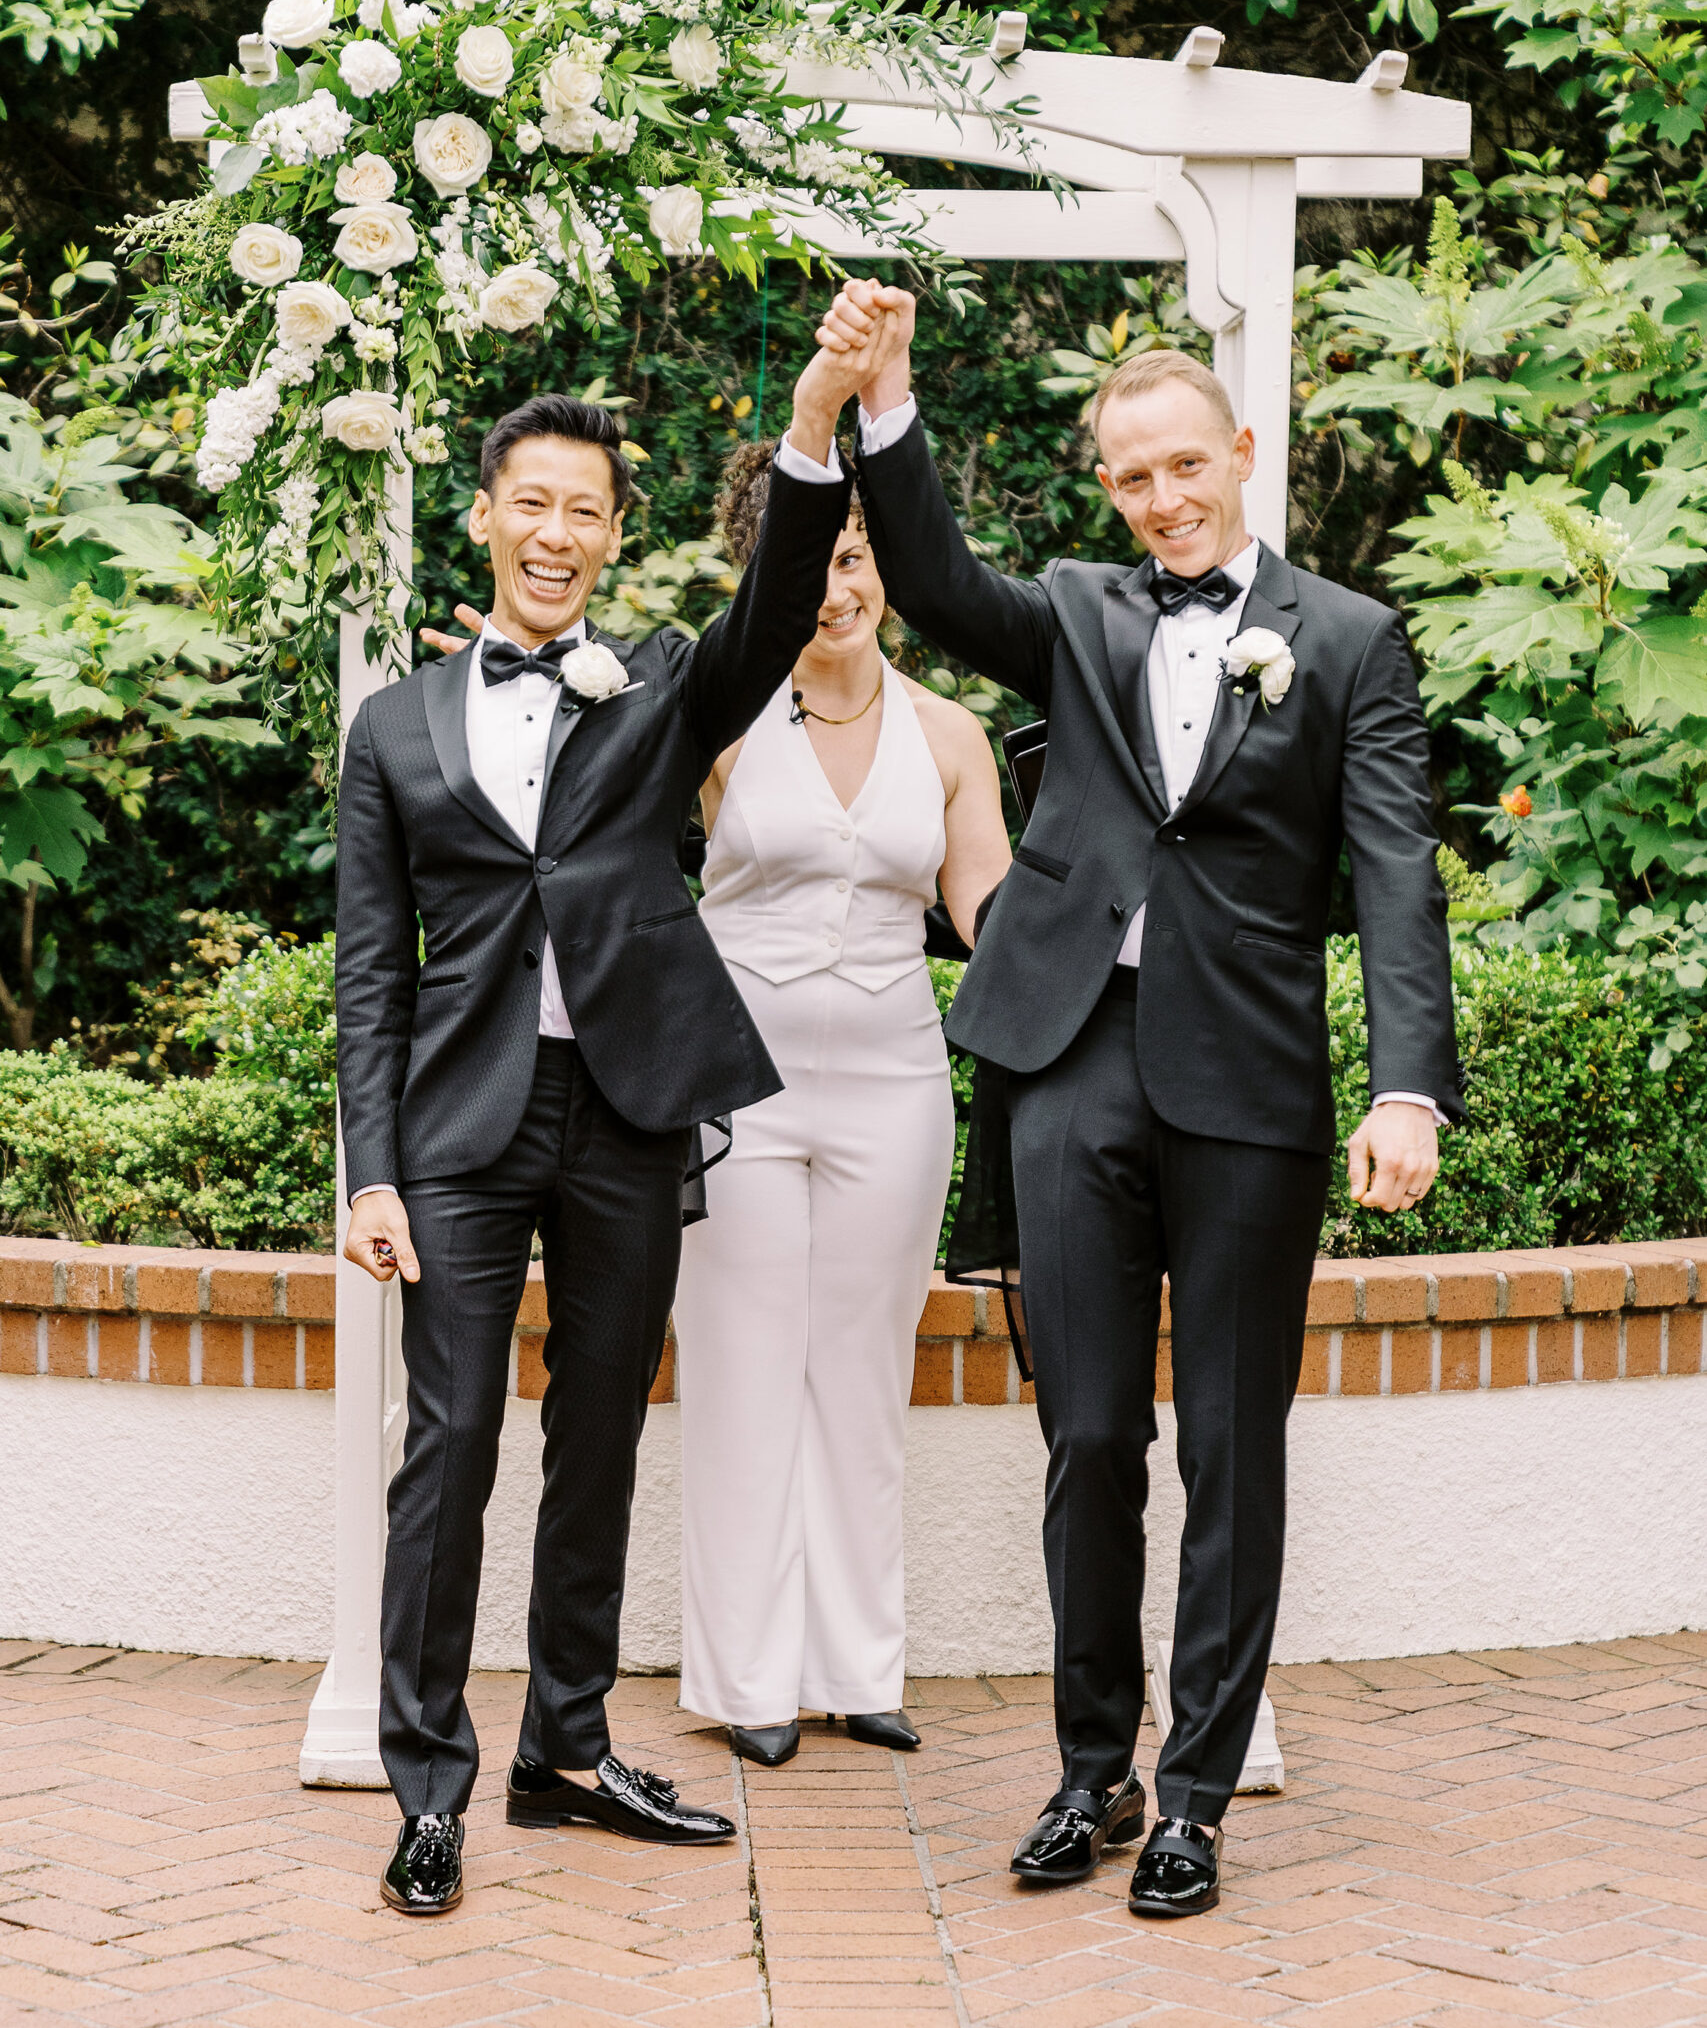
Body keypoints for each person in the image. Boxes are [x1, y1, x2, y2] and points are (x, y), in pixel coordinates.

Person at [813, 281, 1461, 1918]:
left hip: (1247, 1081)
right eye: (1130, 478)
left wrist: (1407, 1089)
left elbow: (1394, 877)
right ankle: (1091, 1770)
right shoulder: (1084, 613)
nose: (1162, 501)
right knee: (1088, 1434)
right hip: (1066, 1057)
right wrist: (883, 403)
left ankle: (1196, 1799)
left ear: (1242, 454)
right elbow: (943, 584)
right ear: (1106, 487)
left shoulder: (1350, 640)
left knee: (1235, 1449)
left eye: (1185, 467)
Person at [336, 328, 889, 1917]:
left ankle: (565, 1752)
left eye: (588, 510)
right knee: (447, 1444)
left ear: (613, 535)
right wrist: (370, 1168)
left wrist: (804, 422)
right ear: (489, 517)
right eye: (534, 503)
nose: (559, 533)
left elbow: (780, 607)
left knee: (595, 1442)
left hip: (633, 1108)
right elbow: (375, 969)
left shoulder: (657, 690)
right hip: (455, 1124)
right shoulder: (395, 729)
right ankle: (427, 1785)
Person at [670, 437, 1011, 1767]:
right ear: (766, 573)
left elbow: (981, 902)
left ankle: (862, 1666)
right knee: (744, 1365)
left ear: (887, 570)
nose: (836, 587)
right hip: (737, 1083)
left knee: (865, 1368)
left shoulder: (950, 732)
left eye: (856, 557)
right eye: (808, 562)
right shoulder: (715, 719)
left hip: (895, 1079)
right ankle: (748, 1678)